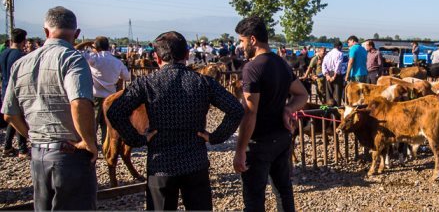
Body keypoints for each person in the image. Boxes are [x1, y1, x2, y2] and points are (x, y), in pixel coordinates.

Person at [107, 31, 244, 210]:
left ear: (156, 57)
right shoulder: (203, 83)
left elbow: (115, 111)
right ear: (187, 55)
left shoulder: (147, 83)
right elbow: (236, 109)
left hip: (161, 164)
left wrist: (137, 140)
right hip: (195, 162)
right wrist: (215, 137)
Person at [1, 6, 97, 210]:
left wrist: (32, 137)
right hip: (69, 152)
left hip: (38, 154)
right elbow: (79, 103)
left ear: (46, 31)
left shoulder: (21, 63)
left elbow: (9, 113)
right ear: (77, 33)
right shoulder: (72, 58)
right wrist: (88, 142)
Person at [233, 17, 308, 212]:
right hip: (282, 138)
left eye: (241, 41)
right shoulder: (281, 63)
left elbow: (250, 113)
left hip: (259, 142)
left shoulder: (252, 68)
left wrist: (240, 150)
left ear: (252, 39)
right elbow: (302, 95)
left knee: (254, 198)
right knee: (283, 191)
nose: (241, 46)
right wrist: (288, 109)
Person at [76, 36, 131, 145]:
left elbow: (75, 50)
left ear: (95, 47)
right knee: (107, 123)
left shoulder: (94, 58)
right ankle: (107, 144)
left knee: (93, 123)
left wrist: (87, 42)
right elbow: (127, 77)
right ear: (108, 47)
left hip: (95, 95)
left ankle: (92, 143)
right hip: (111, 96)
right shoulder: (117, 62)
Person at [1, 28, 29, 158]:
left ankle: (7, 146)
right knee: (20, 118)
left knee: (12, 118)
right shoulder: (20, 56)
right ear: (24, 41)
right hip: (17, 91)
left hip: (5, 88)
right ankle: (23, 149)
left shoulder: (3, 53)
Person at [322, 41, 345, 106]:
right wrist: (334, 76)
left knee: (329, 94)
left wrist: (327, 75)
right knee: (337, 95)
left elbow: (324, 65)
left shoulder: (328, 54)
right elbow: (338, 65)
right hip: (336, 75)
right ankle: (337, 111)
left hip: (328, 75)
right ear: (339, 46)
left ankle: (329, 111)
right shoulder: (340, 53)